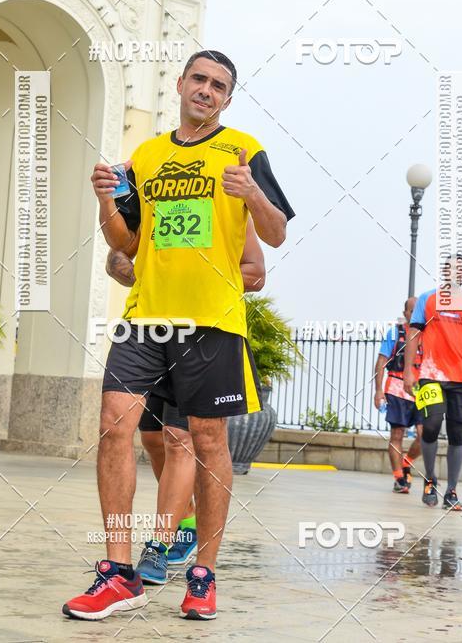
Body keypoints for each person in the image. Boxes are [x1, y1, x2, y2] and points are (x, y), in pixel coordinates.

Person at [63, 50, 294, 622]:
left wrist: (253, 195)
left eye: (219, 85)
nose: (207, 90)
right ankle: (118, 572)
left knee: (209, 445)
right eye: (200, 79)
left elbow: (277, 231)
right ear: (181, 84)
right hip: (146, 318)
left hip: (211, 321)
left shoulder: (243, 149)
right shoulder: (148, 154)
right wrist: (104, 201)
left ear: (228, 98)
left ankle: (202, 574)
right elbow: (129, 242)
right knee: (115, 426)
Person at [104, 220, 266, 582]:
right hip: (149, 327)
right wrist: (136, 269)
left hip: (202, 333)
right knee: (151, 439)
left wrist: (196, 287)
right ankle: (186, 520)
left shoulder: (227, 210)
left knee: (181, 440)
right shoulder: (156, 199)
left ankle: (159, 547)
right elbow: (116, 260)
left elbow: (255, 273)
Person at [403, 254, 462, 511]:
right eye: (452, 268)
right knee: (429, 426)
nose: (457, 273)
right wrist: (409, 370)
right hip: (430, 375)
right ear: (444, 271)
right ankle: (430, 480)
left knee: (456, 434)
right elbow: (414, 334)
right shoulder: (427, 300)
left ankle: (451, 491)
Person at [374, 297, 423, 493]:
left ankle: (406, 462)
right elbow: (381, 362)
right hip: (396, 388)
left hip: (420, 391)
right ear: (405, 314)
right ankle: (398, 478)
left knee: (425, 435)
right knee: (397, 434)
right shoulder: (394, 333)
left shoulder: (428, 335)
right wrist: (378, 391)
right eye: (412, 311)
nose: (415, 314)